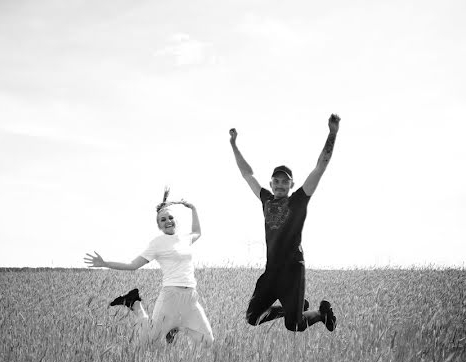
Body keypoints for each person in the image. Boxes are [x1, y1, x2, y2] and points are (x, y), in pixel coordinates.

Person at [228, 113, 340, 332]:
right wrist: (233, 144)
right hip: (271, 272)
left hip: (292, 273)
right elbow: (247, 174)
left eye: (284, 181)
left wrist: (332, 134)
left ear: (291, 184)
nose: (280, 185)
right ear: (271, 183)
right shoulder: (266, 200)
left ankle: (320, 313)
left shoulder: (299, 200)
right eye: (276, 181)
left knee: (294, 324)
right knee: (253, 318)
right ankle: (291, 308)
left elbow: (320, 168)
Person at [83, 187, 214, 345]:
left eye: (170, 218)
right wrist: (104, 263)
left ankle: (175, 327)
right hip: (170, 297)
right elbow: (133, 265)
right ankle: (136, 305)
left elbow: (197, 231)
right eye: (163, 220)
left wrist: (193, 208)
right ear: (159, 225)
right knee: (149, 341)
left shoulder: (185, 239)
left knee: (207, 342)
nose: (168, 221)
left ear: (176, 220)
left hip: (191, 298)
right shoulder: (157, 243)